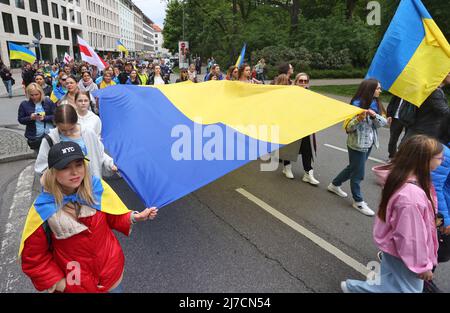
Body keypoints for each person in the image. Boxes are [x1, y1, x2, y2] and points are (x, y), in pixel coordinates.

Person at [21, 141, 158, 293]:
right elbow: (33, 258)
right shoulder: (42, 209)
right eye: (65, 167)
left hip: (111, 273)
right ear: (53, 172)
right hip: (76, 285)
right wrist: (61, 284)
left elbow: (112, 214)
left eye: (79, 165)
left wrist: (134, 217)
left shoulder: (96, 188)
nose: (74, 172)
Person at [342, 135, 443, 293]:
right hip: (405, 252)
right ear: (424, 160)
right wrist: (421, 266)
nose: (442, 161)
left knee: (390, 284)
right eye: (439, 158)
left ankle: (353, 288)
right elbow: (411, 237)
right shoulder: (411, 196)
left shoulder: (402, 178)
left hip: (395, 247)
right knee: (408, 290)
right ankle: (353, 288)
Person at [328, 78, 387, 216]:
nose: (380, 90)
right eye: (378, 88)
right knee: (358, 173)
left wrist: (374, 116)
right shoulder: (356, 105)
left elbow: (382, 123)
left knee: (353, 167)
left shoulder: (376, 103)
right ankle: (358, 201)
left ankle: (334, 184)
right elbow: (348, 127)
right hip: (357, 144)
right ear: (370, 89)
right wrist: (359, 118)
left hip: (369, 143)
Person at [35, 104, 117, 178]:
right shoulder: (50, 140)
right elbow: (41, 168)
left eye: (71, 129)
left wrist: (109, 164)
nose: (68, 133)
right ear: (55, 124)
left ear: (76, 121)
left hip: (91, 183)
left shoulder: (88, 133)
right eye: (62, 130)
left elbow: (99, 152)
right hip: (66, 190)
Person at [403, 73, 450, 141]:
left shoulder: (431, 89)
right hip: (423, 135)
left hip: (420, 133)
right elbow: (445, 113)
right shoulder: (434, 92)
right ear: (442, 74)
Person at [18, 83, 56, 151]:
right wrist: (30, 118)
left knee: (53, 156)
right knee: (40, 158)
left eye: (36, 94)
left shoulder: (48, 101)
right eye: (32, 95)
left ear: (41, 93)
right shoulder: (24, 104)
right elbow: (20, 119)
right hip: (35, 137)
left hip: (50, 135)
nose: (34, 97)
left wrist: (45, 118)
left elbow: (56, 116)